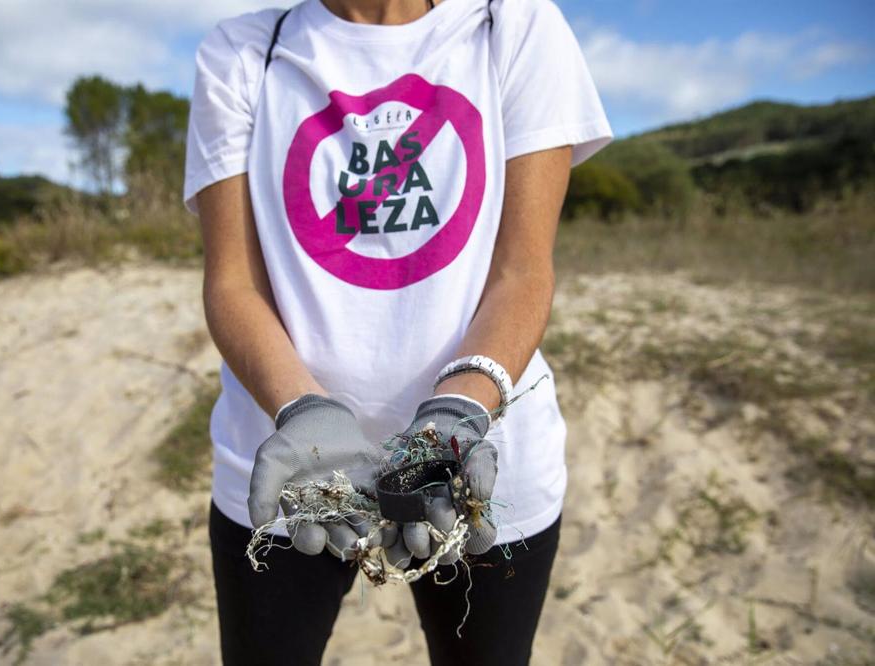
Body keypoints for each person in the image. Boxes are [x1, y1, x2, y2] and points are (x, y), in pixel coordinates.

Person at [184, 0, 612, 663]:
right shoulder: (243, 53)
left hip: (479, 464)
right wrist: (302, 411)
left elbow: (523, 272)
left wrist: (458, 411)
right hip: (288, 467)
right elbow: (232, 283)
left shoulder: (513, 25)